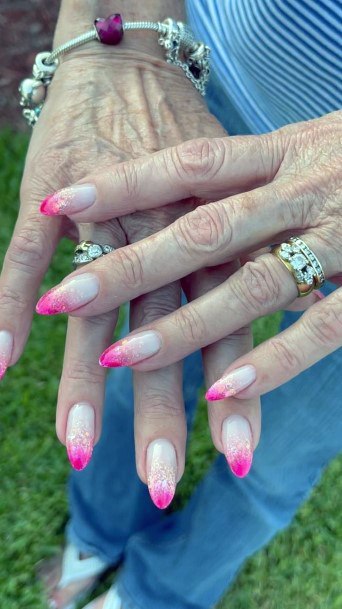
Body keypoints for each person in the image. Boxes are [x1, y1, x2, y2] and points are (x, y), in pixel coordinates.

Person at [1, 1, 341, 608]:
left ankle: (157, 594)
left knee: (272, 464)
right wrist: (121, 36)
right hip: (209, 90)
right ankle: (97, 532)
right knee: (140, 366)